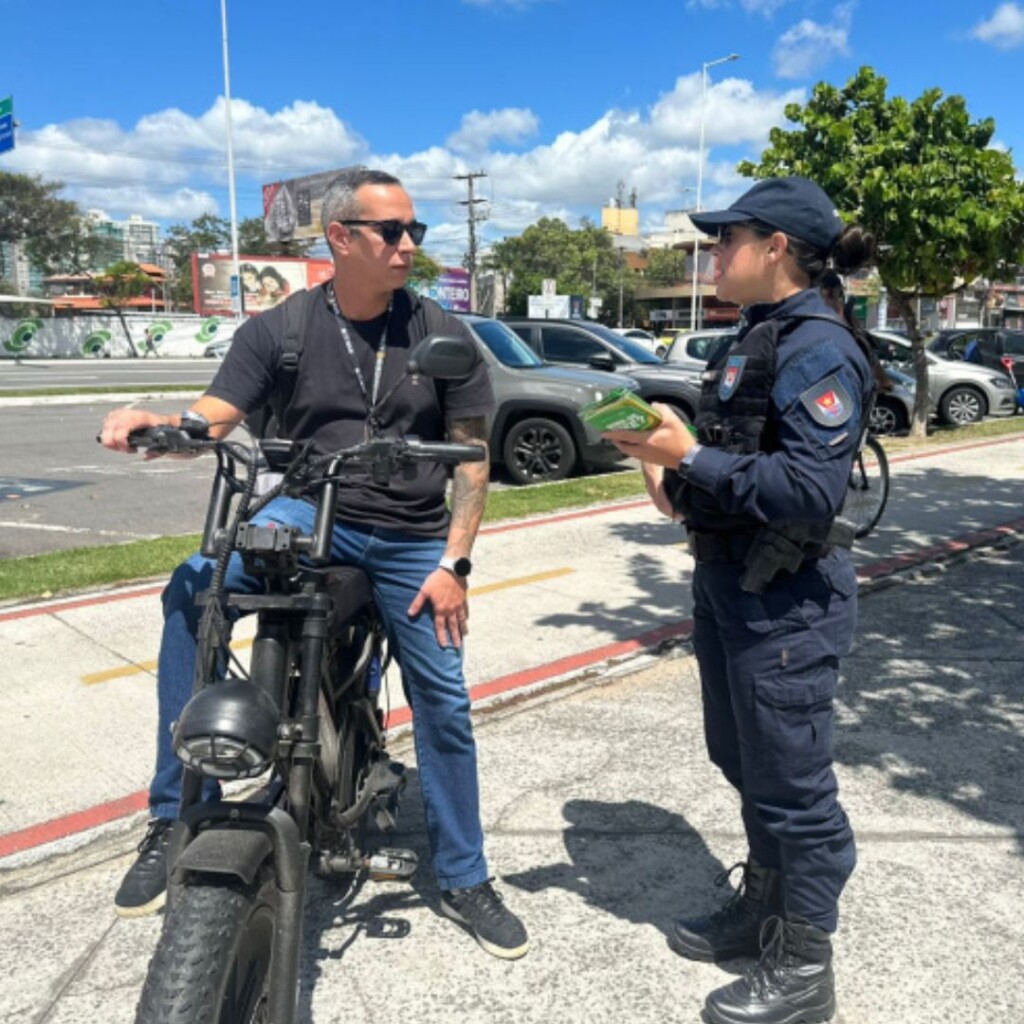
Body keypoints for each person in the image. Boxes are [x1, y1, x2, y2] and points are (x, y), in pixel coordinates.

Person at [99, 166, 529, 960]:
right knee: (194, 585)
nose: (409, 247)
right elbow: (216, 412)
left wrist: (454, 565)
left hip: (407, 534)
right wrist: (164, 422)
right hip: (305, 509)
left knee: (444, 698)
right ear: (341, 238)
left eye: (415, 232)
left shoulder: (440, 333)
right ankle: (173, 815)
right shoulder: (283, 329)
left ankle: (465, 874)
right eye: (391, 232)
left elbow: (471, 462)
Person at [603, 176, 876, 1024]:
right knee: (744, 763)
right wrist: (663, 458)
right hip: (730, 584)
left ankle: (804, 967)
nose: (715, 254)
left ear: (777, 249)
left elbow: (807, 490)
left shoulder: (819, 347)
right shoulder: (760, 335)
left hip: (787, 599)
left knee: (794, 788)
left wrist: (688, 457)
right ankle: (764, 907)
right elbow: (726, 463)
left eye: (728, 239)